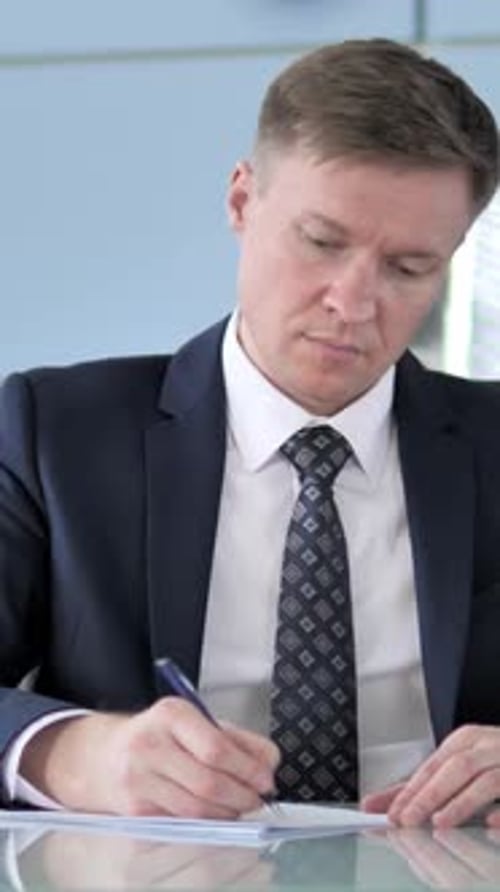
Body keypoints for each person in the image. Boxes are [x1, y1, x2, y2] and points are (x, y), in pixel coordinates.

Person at [0, 37, 499, 829]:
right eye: (321, 241)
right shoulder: (52, 433)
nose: (353, 301)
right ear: (242, 201)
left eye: (408, 268)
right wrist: (70, 751)